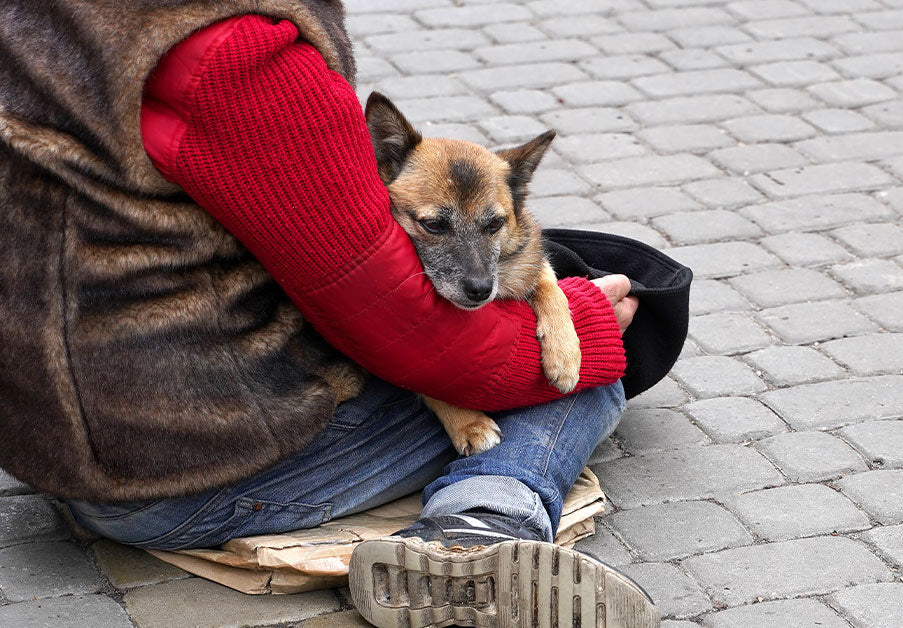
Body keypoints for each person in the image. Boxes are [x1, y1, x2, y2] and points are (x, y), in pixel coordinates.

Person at [0, 3, 658, 626]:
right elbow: (402, 331)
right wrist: (590, 327)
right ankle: (476, 534)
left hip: (58, 439)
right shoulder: (241, 59)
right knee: (583, 380)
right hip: (176, 473)